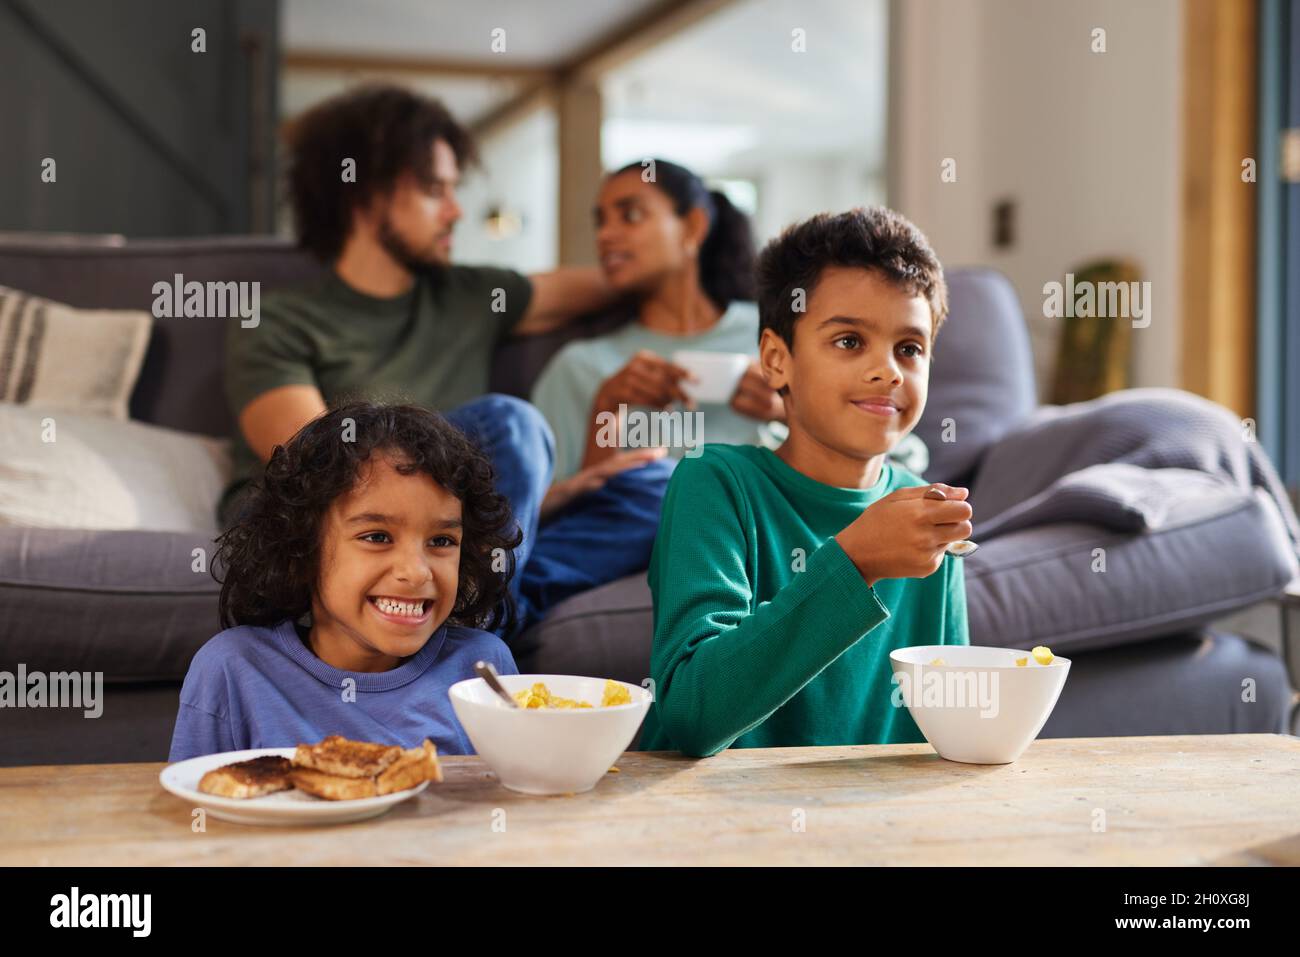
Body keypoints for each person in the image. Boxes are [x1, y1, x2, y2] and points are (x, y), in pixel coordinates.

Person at [218, 84, 668, 636]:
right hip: (317, 523)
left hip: (453, 533)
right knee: (511, 422)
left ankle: (483, 609)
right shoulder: (277, 321)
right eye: (435, 190)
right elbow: (322, 472)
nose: (456, 211)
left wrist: (684, 243)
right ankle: (481, 619)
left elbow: (608, 283)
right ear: (365, 194)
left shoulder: (468, 297)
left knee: (663, 485)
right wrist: (511, 500)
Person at [638, 207, 972, 757]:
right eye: (848, 341)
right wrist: (854, 563)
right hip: (712, 823)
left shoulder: (927, 513)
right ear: (776, 360)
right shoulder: (716, 482)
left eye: (909, 349)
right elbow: (693, 713)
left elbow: (950, 723)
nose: (888, 370)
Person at [169, 402, 520, 761]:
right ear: (303, 547)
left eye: (442, 541)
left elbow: (521, 803)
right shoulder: (233, 667)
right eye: (377, 537)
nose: (416, 572)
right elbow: (195, 807)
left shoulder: (480, 668)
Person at [531, 159, 779, 491]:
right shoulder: (579, 367)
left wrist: (786, 412)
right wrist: (607, 412)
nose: (605, 235)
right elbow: (547, 517)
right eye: (600, 222)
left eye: (630, 215)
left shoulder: (773, 335)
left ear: (693, 226)